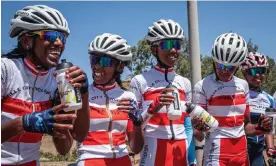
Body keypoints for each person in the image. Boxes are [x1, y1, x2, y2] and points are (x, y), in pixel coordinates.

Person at [1, 5, 90, 165]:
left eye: (62, 38)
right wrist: (23, 123)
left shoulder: (57, 80)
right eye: (50, 35)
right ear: (26, 41)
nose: (58, 43)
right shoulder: (5, 70)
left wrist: (83, 93)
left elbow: (65, 149)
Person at [192, 32, 272, 166]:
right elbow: (199, 136)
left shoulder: (243, 85)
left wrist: (261, 128)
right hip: (216, 153)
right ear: (214, 61)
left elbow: (245, 127)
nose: (224, 70)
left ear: (238, 66)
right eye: (220, 65)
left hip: (241, 152)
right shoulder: (202, 86)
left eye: (230, 67)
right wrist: (198, 129)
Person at [130, 19, 192, 166]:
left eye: (176, 45)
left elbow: (188, 126)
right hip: (153, 150)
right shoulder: (139, 81)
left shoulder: (185, 83)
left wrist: (192, 158)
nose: (173, 50)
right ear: (154, 49)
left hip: (180, 151)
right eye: (167, 45)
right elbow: (135, 124)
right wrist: (153, 107)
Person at [76, 33, 144, 166]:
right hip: (90, 160)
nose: (97, 66)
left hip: (123, 159)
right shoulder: (83, 94)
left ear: (119, 67)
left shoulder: (128, 97)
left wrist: (137, 123)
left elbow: (136, 148)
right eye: (94, 59)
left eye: (104, 61)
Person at [241, 52, 276, 166]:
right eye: (253, 71)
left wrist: (270, 148)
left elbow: (269, 129)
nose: (257, 75)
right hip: (239, 150)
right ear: (244, 73)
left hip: (257, 153)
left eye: (261, 71)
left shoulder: (269, 99)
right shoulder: (238, 95)